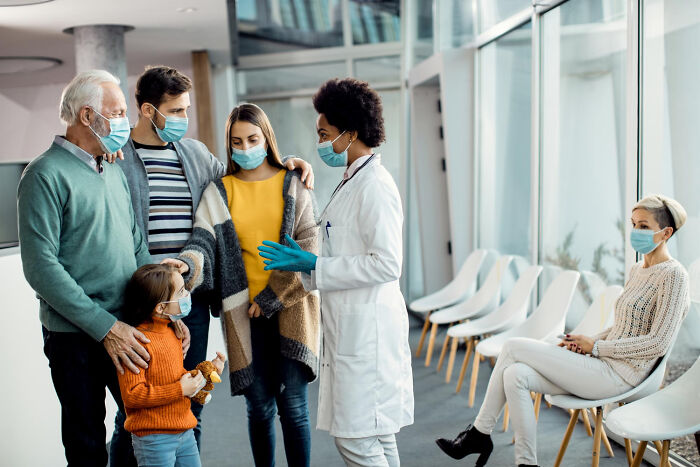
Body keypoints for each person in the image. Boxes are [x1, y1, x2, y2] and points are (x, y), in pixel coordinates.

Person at [117, 65, 316, 449]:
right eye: (176, 111)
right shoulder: (117, 160)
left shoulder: (194, 155)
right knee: (136, 410)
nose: (184, 120)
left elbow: (255, 174)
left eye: (186, 110)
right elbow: (205, 236)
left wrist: (293, 160)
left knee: (193, 402)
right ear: (147, 110)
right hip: (144, 302)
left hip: (188, 300)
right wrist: (189, 264)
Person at [435, 194, 691, 467]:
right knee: (515, 374)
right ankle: (526, 463)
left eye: (643, 226)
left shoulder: (674, 276)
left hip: (623, 377)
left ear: (666, 233)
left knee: (511, 348)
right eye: (633, 224)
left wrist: (597, 347)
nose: (634, 232)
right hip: (603, 364)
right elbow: (622, 327)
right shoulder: (638, 269)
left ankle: (478, 433)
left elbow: (657, 343)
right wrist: (589, 340)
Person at [258, 78, 414, 467]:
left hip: (368, 331)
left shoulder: (374, 185)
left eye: (325, 134)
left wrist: (315, 265)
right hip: (354, 326)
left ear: (351, 133)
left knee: (356, 440)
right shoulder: (353, 179)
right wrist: (310, 263)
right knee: (377, 435)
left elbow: (388, 263)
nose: (321, 143)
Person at [16, 70, 162, 466]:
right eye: (116, 113)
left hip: (126, 326)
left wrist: (160, 305)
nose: (124, 123)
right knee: (86, 444)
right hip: (75, 337)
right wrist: (104, 327)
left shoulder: (110, 167)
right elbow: (41, 267)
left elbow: (136, 244)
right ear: (87, 116)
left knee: (143, 428)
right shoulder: (43, 174)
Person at [166, 103, 320, 467]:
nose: (246, 147)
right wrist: (186, 268)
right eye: (237, 141)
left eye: (253, 138)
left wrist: (270, 298)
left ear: (266, 138)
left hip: (291, 308)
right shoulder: (220, 190)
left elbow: (310, 246)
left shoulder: (292, 183)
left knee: (294, 409)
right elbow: (201, 241)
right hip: (243, 316)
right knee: (259, 409)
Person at [119, 263, 226, 467]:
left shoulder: (172, 332)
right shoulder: (136, 343)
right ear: (160, 307)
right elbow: (132, 394)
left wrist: (208, 371)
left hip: (185, 432)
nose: (187, 294)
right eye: (181, 291)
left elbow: (179, 378)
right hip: (154, 440)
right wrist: (179, 389)